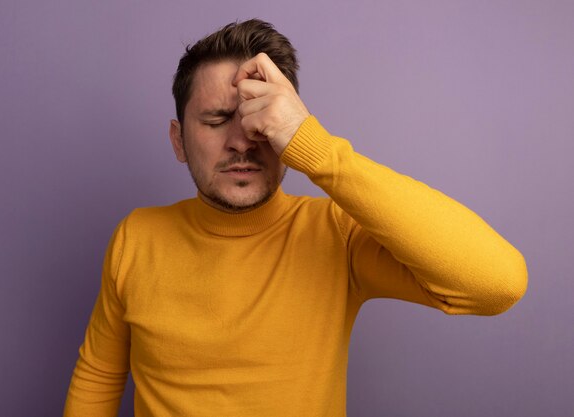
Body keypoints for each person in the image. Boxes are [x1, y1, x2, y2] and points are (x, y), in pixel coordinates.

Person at [63, 19, 527, 417]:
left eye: (260, 119)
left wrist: (314, 146)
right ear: (179, 140)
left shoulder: (334, 235)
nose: (243, 141)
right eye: (217, 119)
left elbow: (497, 284)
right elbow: (99, 376)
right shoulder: (136, 236)